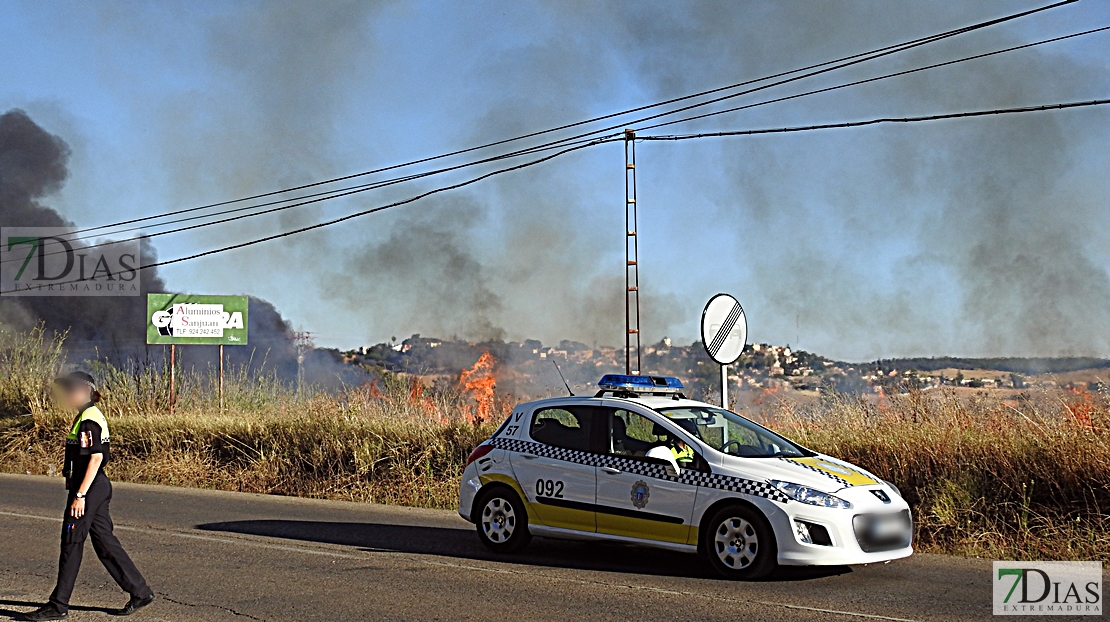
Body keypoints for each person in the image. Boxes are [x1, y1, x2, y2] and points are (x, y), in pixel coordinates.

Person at [25, 372, 155, 621]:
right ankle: (140, 592)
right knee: (105, 543)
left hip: (89, 487)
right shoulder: (88, 415)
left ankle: (58, 605)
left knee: (71, 543)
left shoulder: (88, 418)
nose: (68, 395)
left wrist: (80, 495)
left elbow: (95, 457)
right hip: (97, 486)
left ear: (85, 391)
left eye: (72, 390)